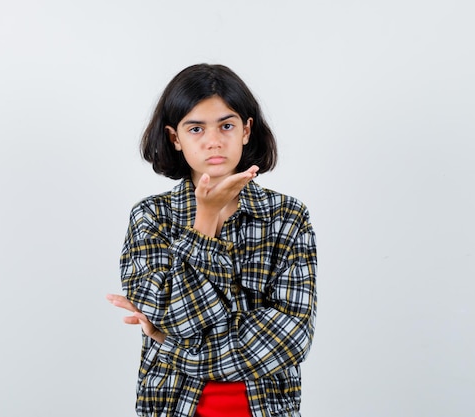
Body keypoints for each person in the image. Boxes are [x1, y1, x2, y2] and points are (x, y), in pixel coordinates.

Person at [106, 63, 317, 417]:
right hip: (173, 406)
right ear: (175, 138)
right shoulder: (151, 217)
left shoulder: (287, 216)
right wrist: (204, 219)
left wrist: (171, 345)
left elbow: (289, 339)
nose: (213, 140)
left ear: (246, 131)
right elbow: (179, 320)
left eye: (227, 125)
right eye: (196, 128)